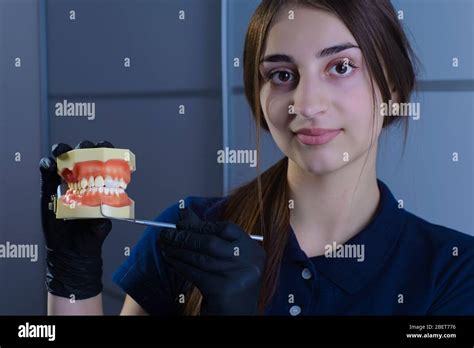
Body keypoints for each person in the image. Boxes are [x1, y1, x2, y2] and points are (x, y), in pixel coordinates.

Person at [40, 0, 474, 316]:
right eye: (282, 75)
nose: (306, 103)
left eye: (341, 67)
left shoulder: (454, 270)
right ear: (259, 98)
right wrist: (72, 274)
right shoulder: (182, 236)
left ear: (394, 89)